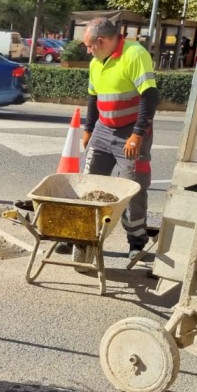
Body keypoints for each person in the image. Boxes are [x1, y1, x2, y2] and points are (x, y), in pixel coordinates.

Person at [80, 17, 158, 257]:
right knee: (89, 182)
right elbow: (93, 98)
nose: (87, 50)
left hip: (131, 132)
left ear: (101, 41)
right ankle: (82, 235)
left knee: (132, 188)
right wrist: (88, 129)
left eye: (89, 45)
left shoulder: (135, 54)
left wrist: (137, 135)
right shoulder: (96, 62)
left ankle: (136, 242)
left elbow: (150, 96)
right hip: (103, 130)